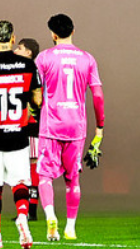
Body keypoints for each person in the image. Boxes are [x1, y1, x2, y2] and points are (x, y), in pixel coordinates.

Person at [35, 14, 105, 242]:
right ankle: (71, 228)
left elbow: (35, 93)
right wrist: (100, 128)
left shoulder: (44, 58)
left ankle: (50, 216)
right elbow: (97, 95)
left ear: (52, 34)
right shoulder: (87, 59)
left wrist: (35, 109)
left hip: (51, 124)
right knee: (72, 179)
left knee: (45, 176)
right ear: (73, 31)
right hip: (76, 126)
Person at [0, 21, 43, 249]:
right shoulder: (28, 65)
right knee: (20, 182)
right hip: (18, 132)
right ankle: (22, 216)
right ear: (13, 39)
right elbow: (38, 99)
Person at [14, 37, 42, 221]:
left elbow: (38, 100)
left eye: (20, 48)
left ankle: (31, 210)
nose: (16, 50)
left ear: (29, 53)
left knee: (32, 167)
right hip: (19, 126)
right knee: (22, 168)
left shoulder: (33, 71)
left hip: (32, 126)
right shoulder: (19, 69)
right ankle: (25, 209)